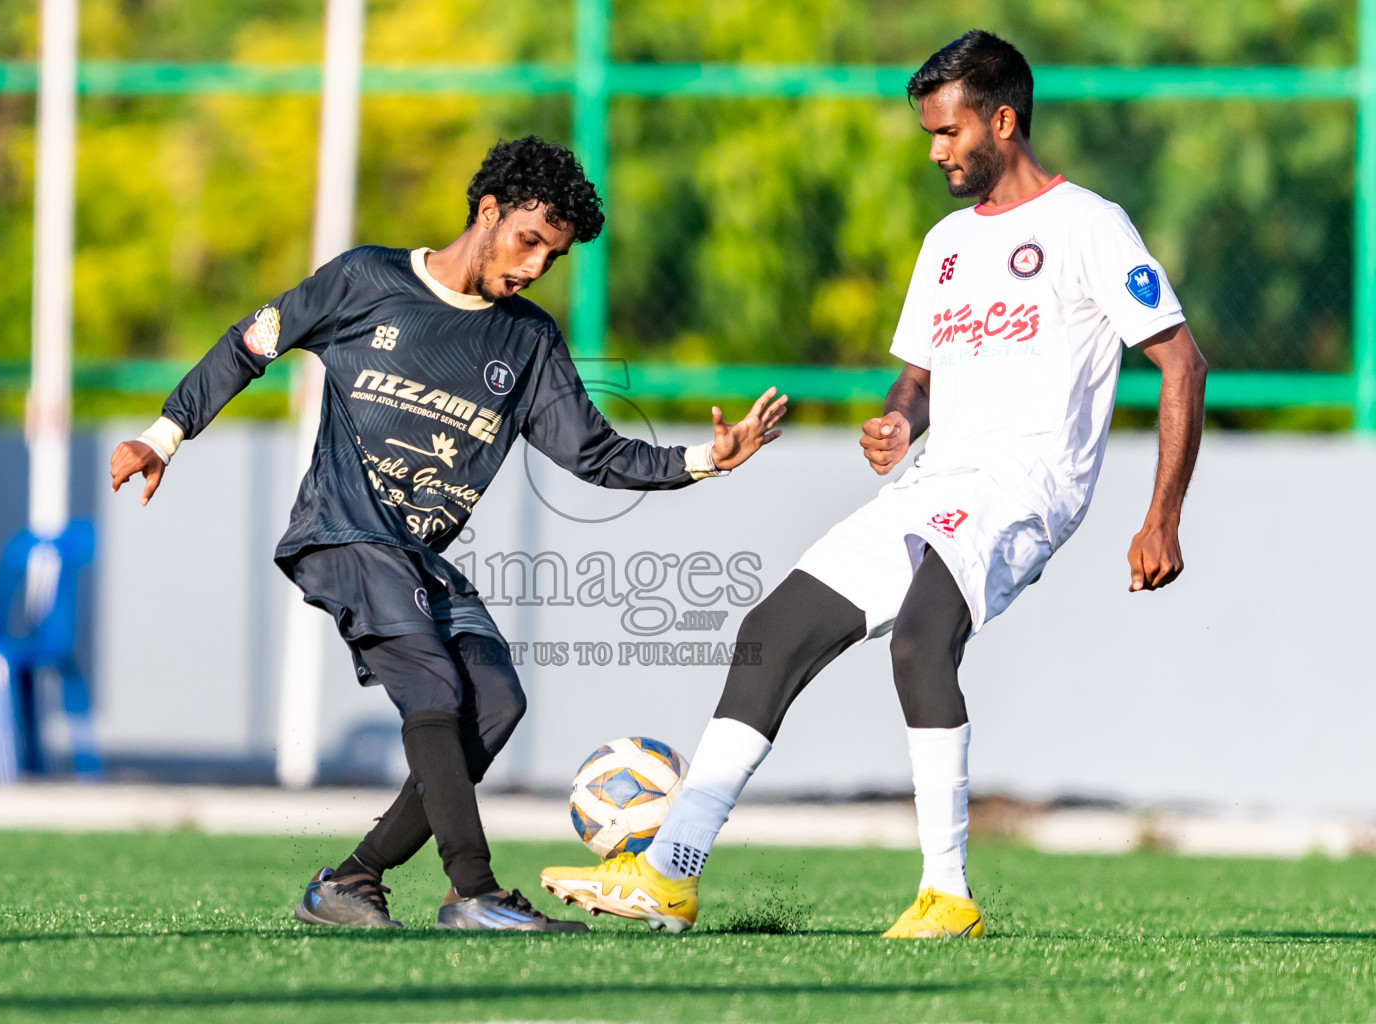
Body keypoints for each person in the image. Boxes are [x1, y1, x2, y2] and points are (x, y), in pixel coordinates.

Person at [540, 30, 1208, 937]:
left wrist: (1162, 516)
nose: (936, 152)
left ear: (1003, 121)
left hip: (1024, 485)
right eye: (929, 134)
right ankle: (673, 868)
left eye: (948, 132)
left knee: (922, 638)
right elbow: (920, 377)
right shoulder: (944, 245)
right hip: (933, 482)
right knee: (773, 630)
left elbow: (1182, 363)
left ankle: (948, 895)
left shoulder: (1088, 224)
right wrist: (899, 421)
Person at [109, 136, 788, 932]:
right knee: (433, 688)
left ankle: (351, 881)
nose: (536, 266)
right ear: (488, 211)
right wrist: (164, 435)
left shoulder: (526, 341)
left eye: (554, 256)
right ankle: (473, 891)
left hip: (420, 560)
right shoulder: (367, 280)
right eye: (529, 240)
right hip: (342, 532)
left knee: (495, 702)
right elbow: (250, 342)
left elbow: (596, 454)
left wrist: (709, 458)